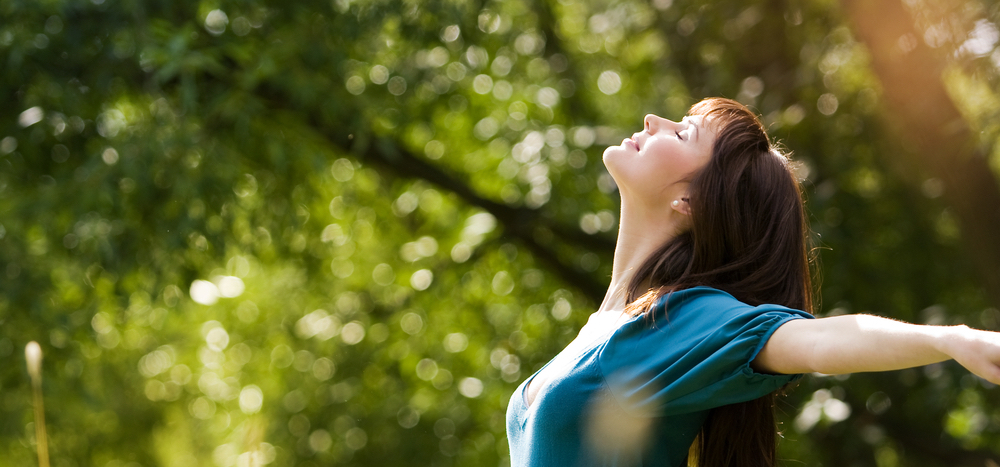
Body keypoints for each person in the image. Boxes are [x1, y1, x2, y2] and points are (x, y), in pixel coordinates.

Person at [505, 97, 1000, 467]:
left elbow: (815, 340)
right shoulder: (611, 324)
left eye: (683, 135)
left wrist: (949, 339)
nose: (655, 121)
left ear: (691, 202)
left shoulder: (678, 322)